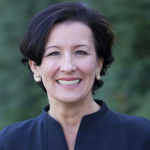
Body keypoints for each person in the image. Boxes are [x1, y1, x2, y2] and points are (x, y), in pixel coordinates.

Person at [0, 2, 150, 150]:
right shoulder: (10, 142)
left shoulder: (142, 136)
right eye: (54, 53)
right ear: (35, 67)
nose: (68, 67)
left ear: (98, 63)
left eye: (80, 52)